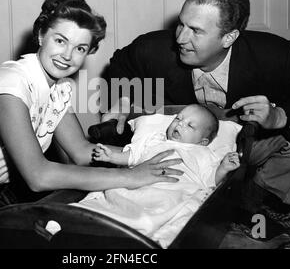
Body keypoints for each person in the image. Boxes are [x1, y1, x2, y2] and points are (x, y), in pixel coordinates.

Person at [0, 0, 182, 249]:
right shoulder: (9, 84)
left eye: (80, 48)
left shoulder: (58, 88)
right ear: (41, 35)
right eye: (60, 41)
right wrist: (128, 176)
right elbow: (38, 176)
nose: (67, 56)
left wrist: (142, 157)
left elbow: (82, 153)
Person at [102, 0, 290, 213]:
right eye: (181, 24)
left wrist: (279, 116)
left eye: (196, 31)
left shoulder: (274, 54)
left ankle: (262, 190)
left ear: (229, 37)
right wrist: (124, 98)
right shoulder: (152, 48)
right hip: (182, 145)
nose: (180, 39)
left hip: (252, 143)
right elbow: (121, 64)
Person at [77, 105, 240, 248]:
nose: (180, 124)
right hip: (138, 183)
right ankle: (81, 221)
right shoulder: (154, 141)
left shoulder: (203, 153)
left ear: (203, 141)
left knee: (183, 210)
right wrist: (111, 157)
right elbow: (131, 157)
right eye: (178, 118)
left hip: (175, 189)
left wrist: (223, 168)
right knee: (114, 193)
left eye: (190, 125)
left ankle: (162, 239)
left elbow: (210, 180)